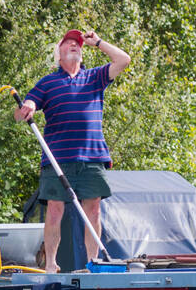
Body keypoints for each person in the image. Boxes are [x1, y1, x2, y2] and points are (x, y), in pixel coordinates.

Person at [14, 28, 131, 271]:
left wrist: (97, 42)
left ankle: (93, 262)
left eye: (77, 43)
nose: (74, 45)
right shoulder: (48, 82)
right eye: (68, 43)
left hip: (92, 156)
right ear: (58, 54)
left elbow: (123, 60)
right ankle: (51, 265)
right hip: (57, 159)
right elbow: (23, 110)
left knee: (94, 209)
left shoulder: (95, 77)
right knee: (55, 210)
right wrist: (28, 106)